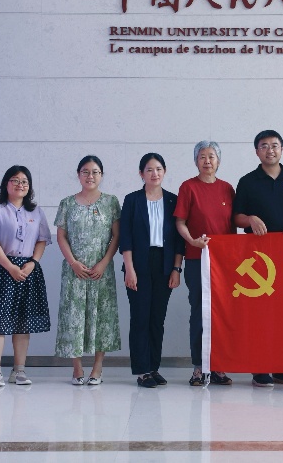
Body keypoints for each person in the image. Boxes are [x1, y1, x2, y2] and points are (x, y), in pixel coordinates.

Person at [232, 129, 283, 387]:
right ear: (257, 151)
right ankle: (260, 367)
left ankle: (282, 367)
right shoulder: (247, 181)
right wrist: (250, 219)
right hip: (258, 258)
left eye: (274, 145)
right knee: (260, 313)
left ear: (282, 149)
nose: (270, 150)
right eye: (264, 146)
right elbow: (236, 217)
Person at [0, 166, 52, 387]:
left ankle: (19, 371)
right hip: (2, 269)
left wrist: (33, 263)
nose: (20, 184)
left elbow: (42, 240)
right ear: (6, 184)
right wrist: (10, 267)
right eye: (15, 180)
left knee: (22, 323)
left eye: (25, 181)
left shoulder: (36, 212)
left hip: (28, 270)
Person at [55, 155, 121, 385]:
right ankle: (77, 368)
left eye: (95, 172)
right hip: (74, 270)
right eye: (85, 171)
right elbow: (61, 236)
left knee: (101, 317)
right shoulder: (67, 203)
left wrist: (104, 262)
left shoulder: (111, 202)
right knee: (73, 317)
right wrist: (73, 262)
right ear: (78, 175)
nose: (90, 176)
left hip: (101, 271)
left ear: (101, 175)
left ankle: (97, 367)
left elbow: (116, 235)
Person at [175, 140, 237, 386]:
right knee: (200, 312)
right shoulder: (188, 187)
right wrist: (192, 240)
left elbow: (232, 226)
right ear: (196, 161)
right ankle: (199, 367)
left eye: (211, 156)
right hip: (196, 259)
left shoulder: (227, 189)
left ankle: (218, 366)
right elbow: (180, 222)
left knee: (221, 312)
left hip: (223, 264)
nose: (207, 161)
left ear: (218, 161)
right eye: (202, 157)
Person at [120, 153, 183, 389]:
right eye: (149, 170)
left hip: (164, 264)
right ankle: (142, 370)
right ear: (141, 173)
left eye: (158, 169)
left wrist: (176, 269)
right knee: (140, 318)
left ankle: (153, 367)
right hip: (138, 264)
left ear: (164, 172)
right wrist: (129, 269)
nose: (154, 173)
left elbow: (178, 240)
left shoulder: (173, 200)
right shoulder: (132, 200)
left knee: (157, 319)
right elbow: (125, 236)